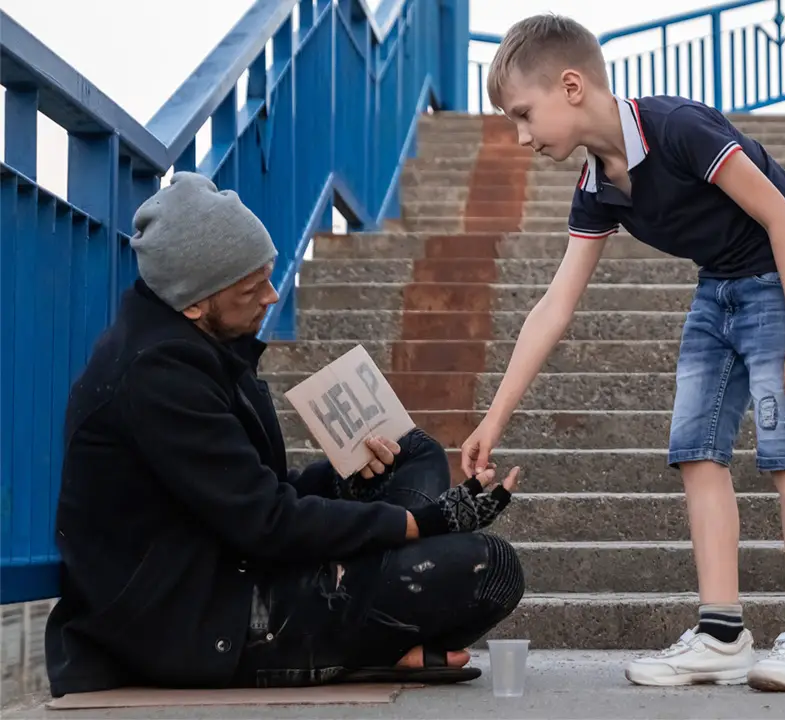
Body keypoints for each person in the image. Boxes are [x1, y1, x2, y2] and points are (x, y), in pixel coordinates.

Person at [463, 14, 785, 692]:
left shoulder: (678, 129)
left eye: (523, 115)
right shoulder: (596, 187)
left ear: (571, 86)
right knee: (695, 448)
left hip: (782, 280)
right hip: (717, 288)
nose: (520, 137)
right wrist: (495, 417)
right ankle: (723, 633)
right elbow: (555, 306)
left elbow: (782, 217)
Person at [45, 172, 525, 697]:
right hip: (196, 622)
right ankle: (369, 645)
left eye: (268, 277)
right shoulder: (154, 376)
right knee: (490, 566)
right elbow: (265, 521)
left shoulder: (199, 346)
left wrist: (347, 486)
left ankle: (370, 634)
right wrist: (421, 522)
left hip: (238, 566)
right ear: (193, 303)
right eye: (252, 289)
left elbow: (250, 496)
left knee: (414, 453)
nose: (273, 297)